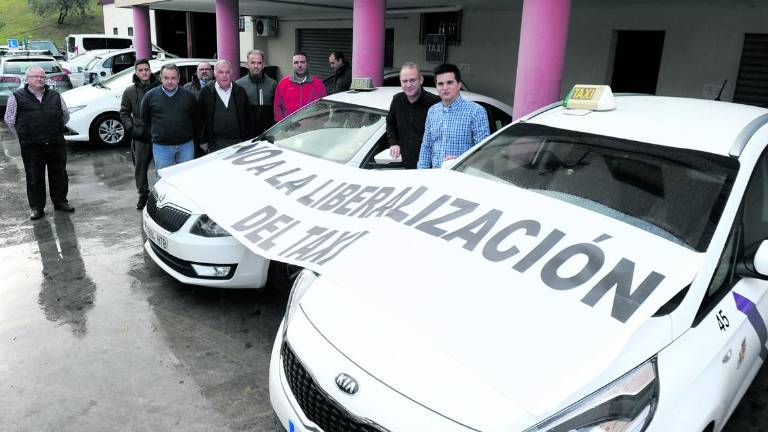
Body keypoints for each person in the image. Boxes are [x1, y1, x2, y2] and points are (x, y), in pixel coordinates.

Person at [4, 66, 74, 220]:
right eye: (35, 76)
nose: (39, 79)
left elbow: (65, 116)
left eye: (41, 77)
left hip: (55, 143)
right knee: (34, 177)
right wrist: (24, 135)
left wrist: (54, 130)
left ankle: (61, 202)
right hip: (32, 147)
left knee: (59, 174)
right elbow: (9, 121)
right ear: (27, 79)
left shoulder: (55, 95)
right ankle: (37, 208)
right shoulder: (16, 97)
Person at [417, 63, 490, 169]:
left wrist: (459, 161)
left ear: (459, 85)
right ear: (436, 86)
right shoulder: (432, 111)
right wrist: (421, 175)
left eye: (449, 82)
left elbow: (484, 152)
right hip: (435, 178)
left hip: (463, 178)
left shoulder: (476, 111)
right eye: (440, 84)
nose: (445, 88)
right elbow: (426, 147)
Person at [140, 63, 198, 175]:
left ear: (179, 78)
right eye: (166, 78)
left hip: (186, 146)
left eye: (173, 78)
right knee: (163, 179)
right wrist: (156, 135)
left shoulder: (189, 96)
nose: (170, 81)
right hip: (161, 147)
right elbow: (145, 120)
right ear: (160, 78)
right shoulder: (150, 96)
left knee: (187, 177)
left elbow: (196, 119)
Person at [120, 58, 159, 210]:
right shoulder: (129, 91)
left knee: (161, 167)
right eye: (141, 70)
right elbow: (124, 113)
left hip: (158, 136)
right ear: (136, 72)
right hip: (140, 137)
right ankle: (143, 195)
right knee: (140, 169)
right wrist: (132, 129)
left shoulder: (159, 88)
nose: (144, 72)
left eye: (146, 69)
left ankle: (161, 196)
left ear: (150, 71)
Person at [386, 62, 440, 169]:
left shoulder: (435, 103)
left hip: (431, 167)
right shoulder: (397, 100)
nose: (408, 84)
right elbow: (390, 123)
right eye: (404, 81)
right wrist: (394, 143)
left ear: (421, 80)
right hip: (406, 165)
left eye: (412, 80)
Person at [198, 60, 252, 153]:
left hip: (239, 142)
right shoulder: (206, 92)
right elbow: (200, 118)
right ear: (215, 73)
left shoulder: (240, 91)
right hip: (215, 143)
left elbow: (248, 117)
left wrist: (249, 139)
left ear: (231, 73)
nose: (224, 75)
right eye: (221, 72)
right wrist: (203, 140)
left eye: (227, 72)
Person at [274, 52, 326, 122]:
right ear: (292, 64)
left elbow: (324, 106)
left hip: (311, 127)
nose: (299, 65)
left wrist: (318, 123)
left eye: (302, 62)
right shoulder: (283, 83)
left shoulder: (318, 84)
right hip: (289, 127)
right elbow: (277, 106)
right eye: (296, 62)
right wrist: (283, 125)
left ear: (307, 63)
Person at [236, 49, 276, 136]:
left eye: (259, 63)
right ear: (247, 65)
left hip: (267, 133)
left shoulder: (272, 84)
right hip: (247, 134)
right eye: (252, 63)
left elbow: (276, 110)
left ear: (263, 65)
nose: (256, 66)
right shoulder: (239, 84)